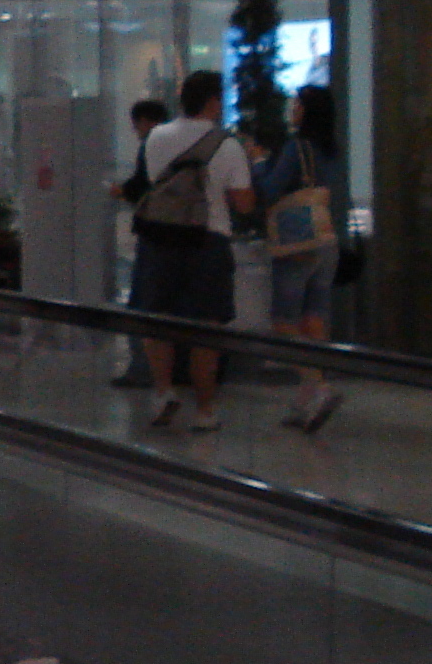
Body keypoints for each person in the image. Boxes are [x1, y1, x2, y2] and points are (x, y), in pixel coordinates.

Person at [132, 69, 255, 429]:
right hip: (208, 241)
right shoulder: (227, 144)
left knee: (158, 319)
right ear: (213, 101)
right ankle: (204, 410)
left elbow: (149, 181)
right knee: (206, 328)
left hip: (159, 238)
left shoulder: (155, 136)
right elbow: (244, 204)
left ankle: (164, 392)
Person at [256, 85, 345, 432]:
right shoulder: (331, 150)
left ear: (307, 111)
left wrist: (260, 163)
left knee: (283, 320)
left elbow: (270, 189)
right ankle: (306, 396)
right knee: (314, 321)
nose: (292, 109)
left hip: (297, 242)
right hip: (326, 240)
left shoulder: (297, 148)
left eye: (297, 104)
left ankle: (318, 387)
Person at [108, 98, 171, 388]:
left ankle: (142, 368)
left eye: (137, 126)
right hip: (180, 232)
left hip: (154, 232)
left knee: (141, 302)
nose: (136, 132)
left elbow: (141, 186)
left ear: (146, 121)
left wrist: (121, 191)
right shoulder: (179, 145)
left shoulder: (153, 145)